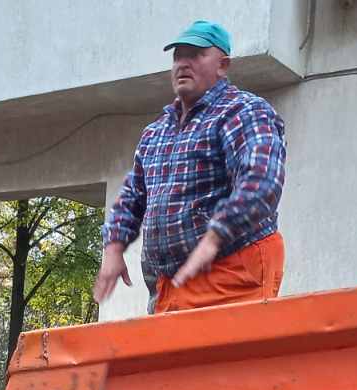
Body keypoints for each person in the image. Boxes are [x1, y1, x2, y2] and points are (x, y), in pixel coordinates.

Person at [95, 19, 287, 315]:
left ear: (223, 65)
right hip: (169, 285)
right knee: (170, 362)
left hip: (231, 274)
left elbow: (261, 181)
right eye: (177, 55)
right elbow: (133, 197)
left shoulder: (242, 111)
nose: (183, 63)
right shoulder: (156, 132)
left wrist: (214, 238)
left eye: (196, 54)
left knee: (224, 362)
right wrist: (114, 245)